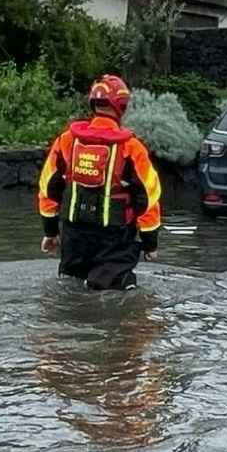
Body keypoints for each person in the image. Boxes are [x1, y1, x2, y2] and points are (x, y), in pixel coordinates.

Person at [37, 74, 161, 290]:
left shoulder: (67, 140)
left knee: (70, 289)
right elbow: (149, 199)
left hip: (73, 236)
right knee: (115, 292)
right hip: (115, 239)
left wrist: (50, 232)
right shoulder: (131, 147)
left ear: (92, 103)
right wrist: (150, 243)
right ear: (121, 105)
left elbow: (48, 188)